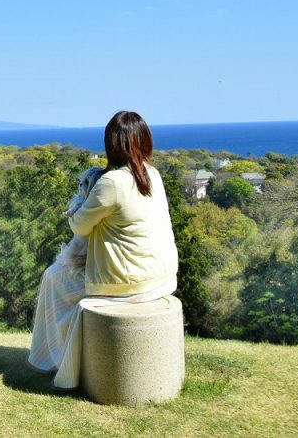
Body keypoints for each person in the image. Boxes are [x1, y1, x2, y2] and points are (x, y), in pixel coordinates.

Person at [27, 110, 178, 388]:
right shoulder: (153, 175)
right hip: (163, 278)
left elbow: (79, 227)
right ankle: (69, 352)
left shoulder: (111, 182)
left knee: (52, 277)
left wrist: (73, 210)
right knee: (59, 279)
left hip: (127, 285)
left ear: (112, 144)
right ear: (145, 141)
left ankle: (51, 357)